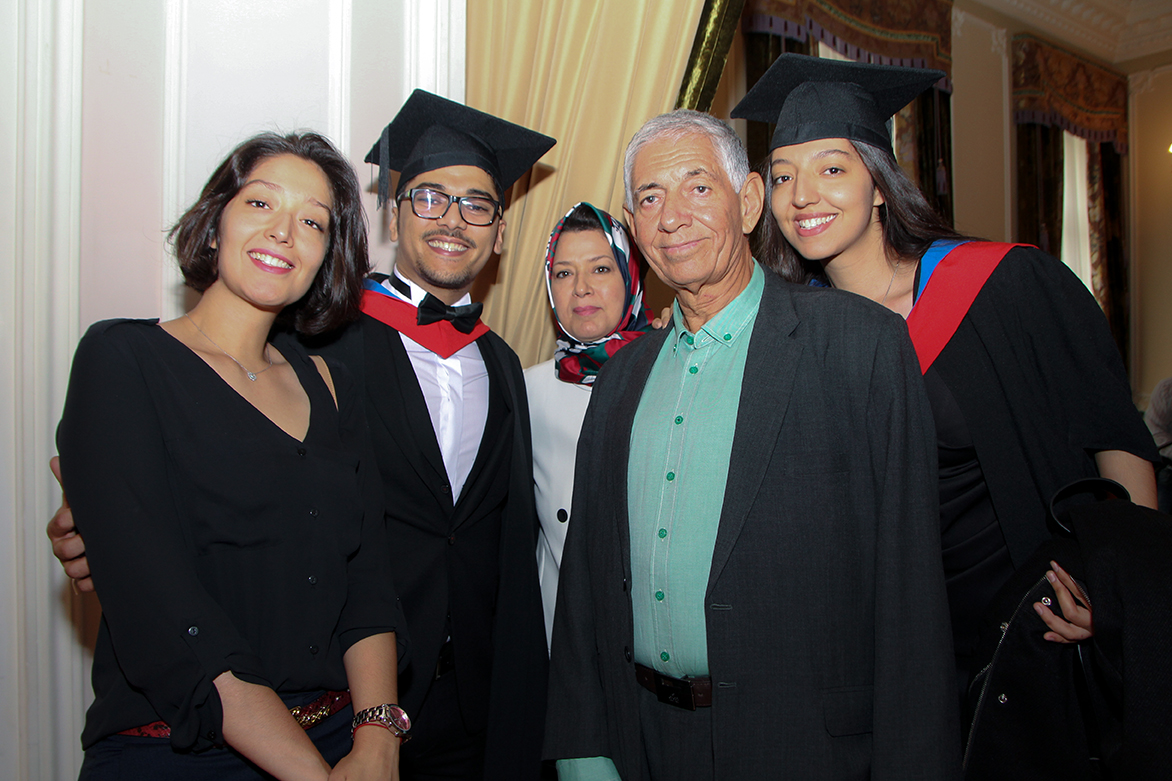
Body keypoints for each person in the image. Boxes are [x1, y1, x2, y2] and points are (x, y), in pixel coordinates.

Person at [49, 91, 556, 781]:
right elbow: (183, 482)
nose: (453, 220)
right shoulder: (317, 344)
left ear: (501, 231)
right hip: (253, 714)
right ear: (393, 213)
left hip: (447, 709)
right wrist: (95, 529)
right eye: (430, 196)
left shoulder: (504, 362)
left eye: (478, 204)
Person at [544, 110, 959, 780]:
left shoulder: (860, 346)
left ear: (749, 202)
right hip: (639, 741)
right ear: (632, 223)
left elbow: (911, 597)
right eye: (650, 198)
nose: (671, 217)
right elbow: (586, 583)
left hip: (805, 747)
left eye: (697, 187)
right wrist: (583, 752)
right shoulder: (621, 378)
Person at [731, 53, 1159, 701]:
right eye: (782, 175)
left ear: (879, 183)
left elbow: (1116, 437)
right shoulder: (792, 336)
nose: (802, 195)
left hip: (1029, 630)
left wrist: (1124, 588)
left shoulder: (1003, 285)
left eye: (832, 169)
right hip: (889, 646)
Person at [55, 132, 405, 780]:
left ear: (326, 256)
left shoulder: (334, 387)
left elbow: (368, 582)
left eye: (312, 222)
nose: (284, 232)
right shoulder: (121, 359)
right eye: (260, 204)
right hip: (178, 749)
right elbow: (165, 612)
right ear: (216, 222)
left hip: (340, 742)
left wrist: (379, 737)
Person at [524, 202, 652, 646]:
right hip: (561, 634)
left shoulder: (671, 371)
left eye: (600, 269)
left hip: (652, 635)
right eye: (563, 273)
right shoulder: (527, 391)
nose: (581, 289)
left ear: (631, 276)